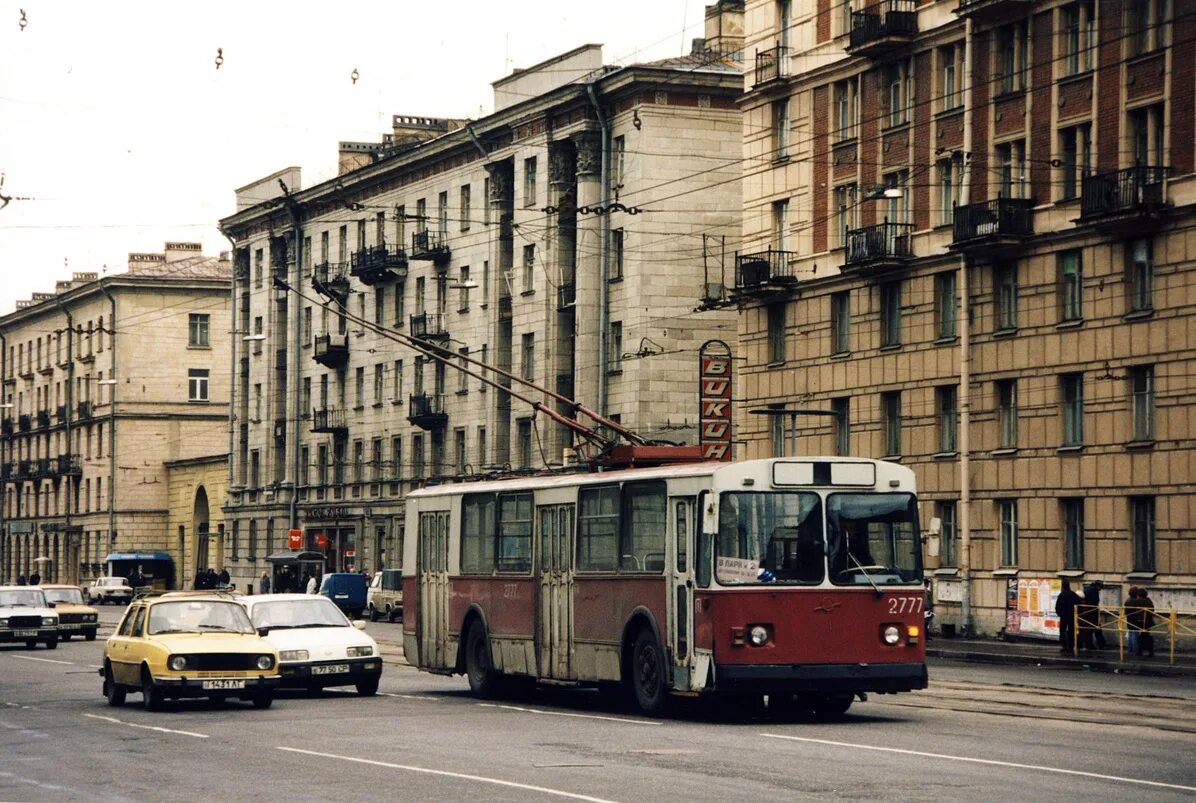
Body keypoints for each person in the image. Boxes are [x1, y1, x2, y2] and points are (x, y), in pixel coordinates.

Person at [1054, 579, 1081, 655]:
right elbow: (1078, 603)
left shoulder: (1062, 595)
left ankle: (1064, 646)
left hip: (1064, 616)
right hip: (1072, 616)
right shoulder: (1073, 594)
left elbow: (1058, 606)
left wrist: (1060, 614)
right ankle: (1071, 646)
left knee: (1063, 631)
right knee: (1071, 631)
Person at [1079, 580, 1107, 650]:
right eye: (1101, 588)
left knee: (1089, 630)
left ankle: (1089, 644)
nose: (1100, 590)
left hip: (1087, 613)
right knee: (1097, 629)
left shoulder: (1088, 589)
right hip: (1092, 613)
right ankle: (1101, 645)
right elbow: (1094, 602)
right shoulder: (1094, 590)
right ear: (1098, 586)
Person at [1137, 588, 1157, 657]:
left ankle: (1140, 651)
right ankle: (1150, 651)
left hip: (1140, 621)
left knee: (1142, 636)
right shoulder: (1148, 600)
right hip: (1148, 621)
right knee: (1147, 635)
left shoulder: (1138, 600)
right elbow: (1152, 609)